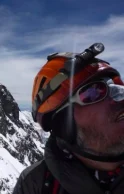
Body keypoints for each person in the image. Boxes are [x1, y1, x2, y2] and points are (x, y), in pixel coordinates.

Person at [13, 43, 124, 194]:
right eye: (94, 92)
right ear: (64, 124)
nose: (119, 97)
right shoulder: (35, 184)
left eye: (116, 87)